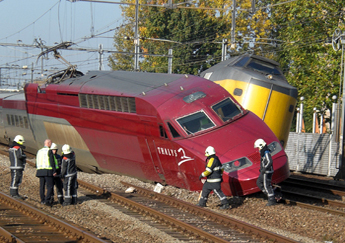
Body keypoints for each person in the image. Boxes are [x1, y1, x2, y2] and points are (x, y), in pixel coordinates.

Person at [254, 138, 277, 206]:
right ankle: (270, 194)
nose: (258, 149)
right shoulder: (264, 152)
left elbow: (270, 161)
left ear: (261, 146)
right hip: (264, 171)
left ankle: (272, 200)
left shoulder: (266, 152)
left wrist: (264, 168)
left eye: (258, 147)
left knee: (266, 185)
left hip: (267, 171)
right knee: (259, 182)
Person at [36, 139, 56, 206]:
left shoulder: (39, 151)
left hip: (40, 171)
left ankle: (42, 200)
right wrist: (54, 170)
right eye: (51, 143)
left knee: (42, 186)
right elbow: (51, 161)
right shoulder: (49, 151)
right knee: (50, 186)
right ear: (49, 143)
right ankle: (47, 200)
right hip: (48, 171)